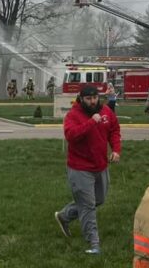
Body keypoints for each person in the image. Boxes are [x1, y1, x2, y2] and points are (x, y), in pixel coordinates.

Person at [55, 85, 121, 255]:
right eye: (88, 99)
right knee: (88, 206)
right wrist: (91, 122)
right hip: (80, 167)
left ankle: (65, 215)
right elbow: (71, 135)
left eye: (95, 98)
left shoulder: (106, 111)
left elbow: (114, 130)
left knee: (99, 199)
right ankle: (93, 243)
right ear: (81, 99)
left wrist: (115, 149)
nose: (93, 102)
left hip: (100, 165)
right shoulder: (73, 115)